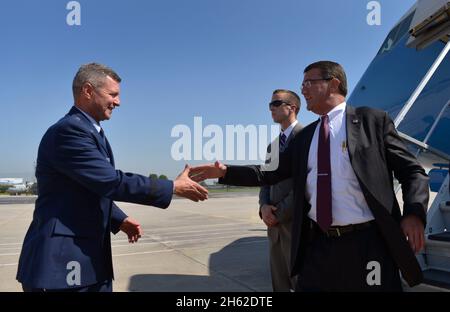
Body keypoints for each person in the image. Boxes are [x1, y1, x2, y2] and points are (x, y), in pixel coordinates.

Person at [190, 61, 429, 291]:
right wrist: (225, 172)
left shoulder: (372, 121)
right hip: (318, 245)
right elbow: (269, 173)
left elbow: (412, 171)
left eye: (308, 83)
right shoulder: (306, 137)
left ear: (333, 84)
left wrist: (414, 213)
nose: (302, 90)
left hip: (368, 244)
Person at [16, 63, 208, 292]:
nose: (118, 102)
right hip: (62, 264)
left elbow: (87, 188)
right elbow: (109, 181)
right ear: (88, 91)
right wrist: (172, 187)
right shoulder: (69, 132)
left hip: (86, 261)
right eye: (113, 94)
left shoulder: (88, 130)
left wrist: (118, 219)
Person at [259, 89, 302, 291]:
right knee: (280, 285)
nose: (271, 109)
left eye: (276, 104)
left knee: (302, 282)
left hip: (295, 225)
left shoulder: (306, 137)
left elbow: (305, 184)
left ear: (291, 107)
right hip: (274, 226)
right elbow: (265, 181)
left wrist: (281, 212)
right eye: (270, 105)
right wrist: (264, 207)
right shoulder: (272, 146)